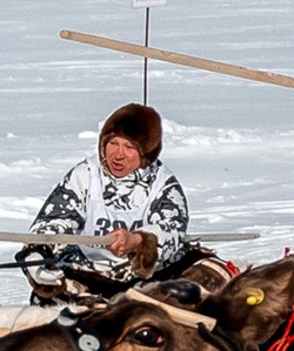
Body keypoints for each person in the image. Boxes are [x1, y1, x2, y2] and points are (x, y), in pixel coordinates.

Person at [22, 102, 195, 297]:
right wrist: (37, 253)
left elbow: (172, 228)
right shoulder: (85, 174)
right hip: (87, 273)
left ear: (146, 152)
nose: (118, 155)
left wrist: (138, 241)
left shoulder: (163, 184)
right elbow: (55, 220)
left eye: (129, 147)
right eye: (113, 144)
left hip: (146, 279)